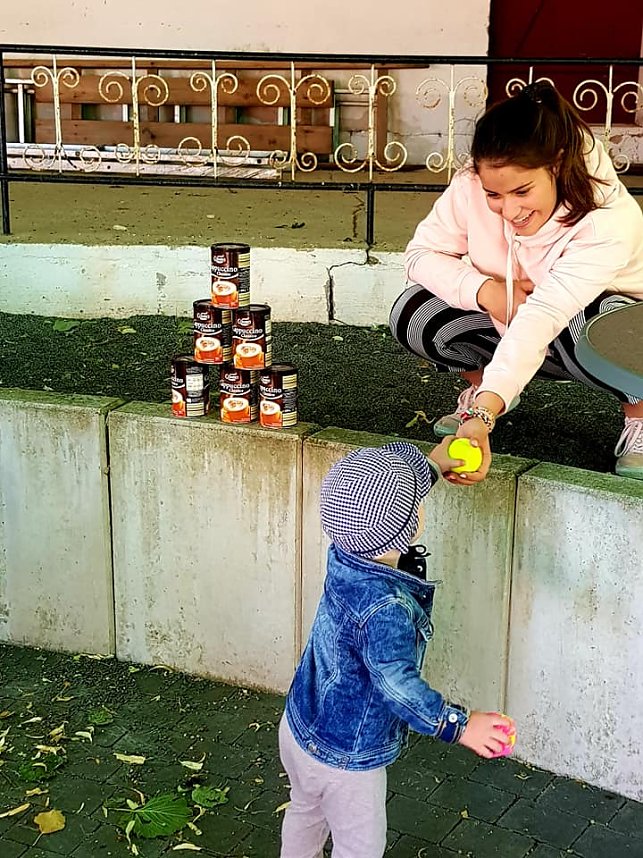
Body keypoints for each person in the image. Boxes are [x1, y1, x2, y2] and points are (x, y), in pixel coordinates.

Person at [389, 81, 643, 481]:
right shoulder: (470, 185)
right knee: (414, 311)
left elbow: (544, 314)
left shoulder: (607, 222)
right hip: (513, 318)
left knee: (590, 318)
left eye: (522, 191)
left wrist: (483, 417)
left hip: (599, 330)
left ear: (556, 165)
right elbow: (420, 254)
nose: (509, 209)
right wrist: (484, 291)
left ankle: (639, 416)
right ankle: (483, 388)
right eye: (495, 194)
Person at [279, 440, 514, 858]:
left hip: (300, 727)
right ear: (412, 528)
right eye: (415, 500)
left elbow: (373, 503)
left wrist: (433, 467)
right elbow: (397, 686)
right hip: (346, 758)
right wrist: (459, 724)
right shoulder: (385, 608)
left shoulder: (345, 549)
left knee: (305, 810)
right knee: (361, 848)